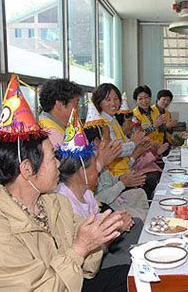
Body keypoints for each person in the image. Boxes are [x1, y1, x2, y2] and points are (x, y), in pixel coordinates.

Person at [0, 75, 127, 291]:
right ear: (27, 169)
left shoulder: (55, 203)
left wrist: (100, 235)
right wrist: (80, 247)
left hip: (71, 281)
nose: (60, 164)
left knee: (133, 275)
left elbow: (88, 269)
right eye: (53, 157)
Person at [55, 109, 143, 270]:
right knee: (134, 262)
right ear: (82, 172)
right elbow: (86, 245)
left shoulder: (86, 193)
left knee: (137, 224)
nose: (99, 169)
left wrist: (115, 218)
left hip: (102, 245)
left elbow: (97, 217)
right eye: (95, 166)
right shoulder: (64, 201)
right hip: (89, 261)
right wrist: (115, 226)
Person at [39, 78, 83, 147]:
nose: (79, 109)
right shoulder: (53, 133)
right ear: (59, 105)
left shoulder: (43, 123)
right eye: (76, 103)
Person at [132, 85, 169, 152]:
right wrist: (154, 126)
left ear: (150, 98)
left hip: (159, 147)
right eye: (140, 99)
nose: (144, 101)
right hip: (146, 150)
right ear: (136, 101)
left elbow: (160, 130)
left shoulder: (155, 111)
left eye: (146, 97)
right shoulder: (134, 115)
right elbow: (139, 135)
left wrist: (166, 126)